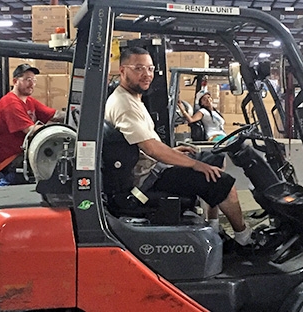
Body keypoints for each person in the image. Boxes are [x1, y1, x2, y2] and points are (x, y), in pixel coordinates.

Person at [104, 46, 254, 248]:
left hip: (149, 169)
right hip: (146, 180)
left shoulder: (131, 98)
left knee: (214, 159)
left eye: (150, 68)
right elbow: (152, 149)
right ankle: (244, 238)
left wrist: (173, 153)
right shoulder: (124, 104)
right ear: (122, 70)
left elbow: (144, 144)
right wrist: (194, 165)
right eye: (139, 68)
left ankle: (213, 225)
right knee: (221, 181)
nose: (147, 74)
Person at [0, 64, 65, 184]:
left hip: (23, 154)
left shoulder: (28, 100)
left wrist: (74, 115)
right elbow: (29, 130)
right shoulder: (10, 103)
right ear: (15, 81)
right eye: (27, 80)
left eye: (34, 80)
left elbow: (54, 115)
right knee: (57, 163)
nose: (31, 84)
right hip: (12, 160)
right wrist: (61, 130)